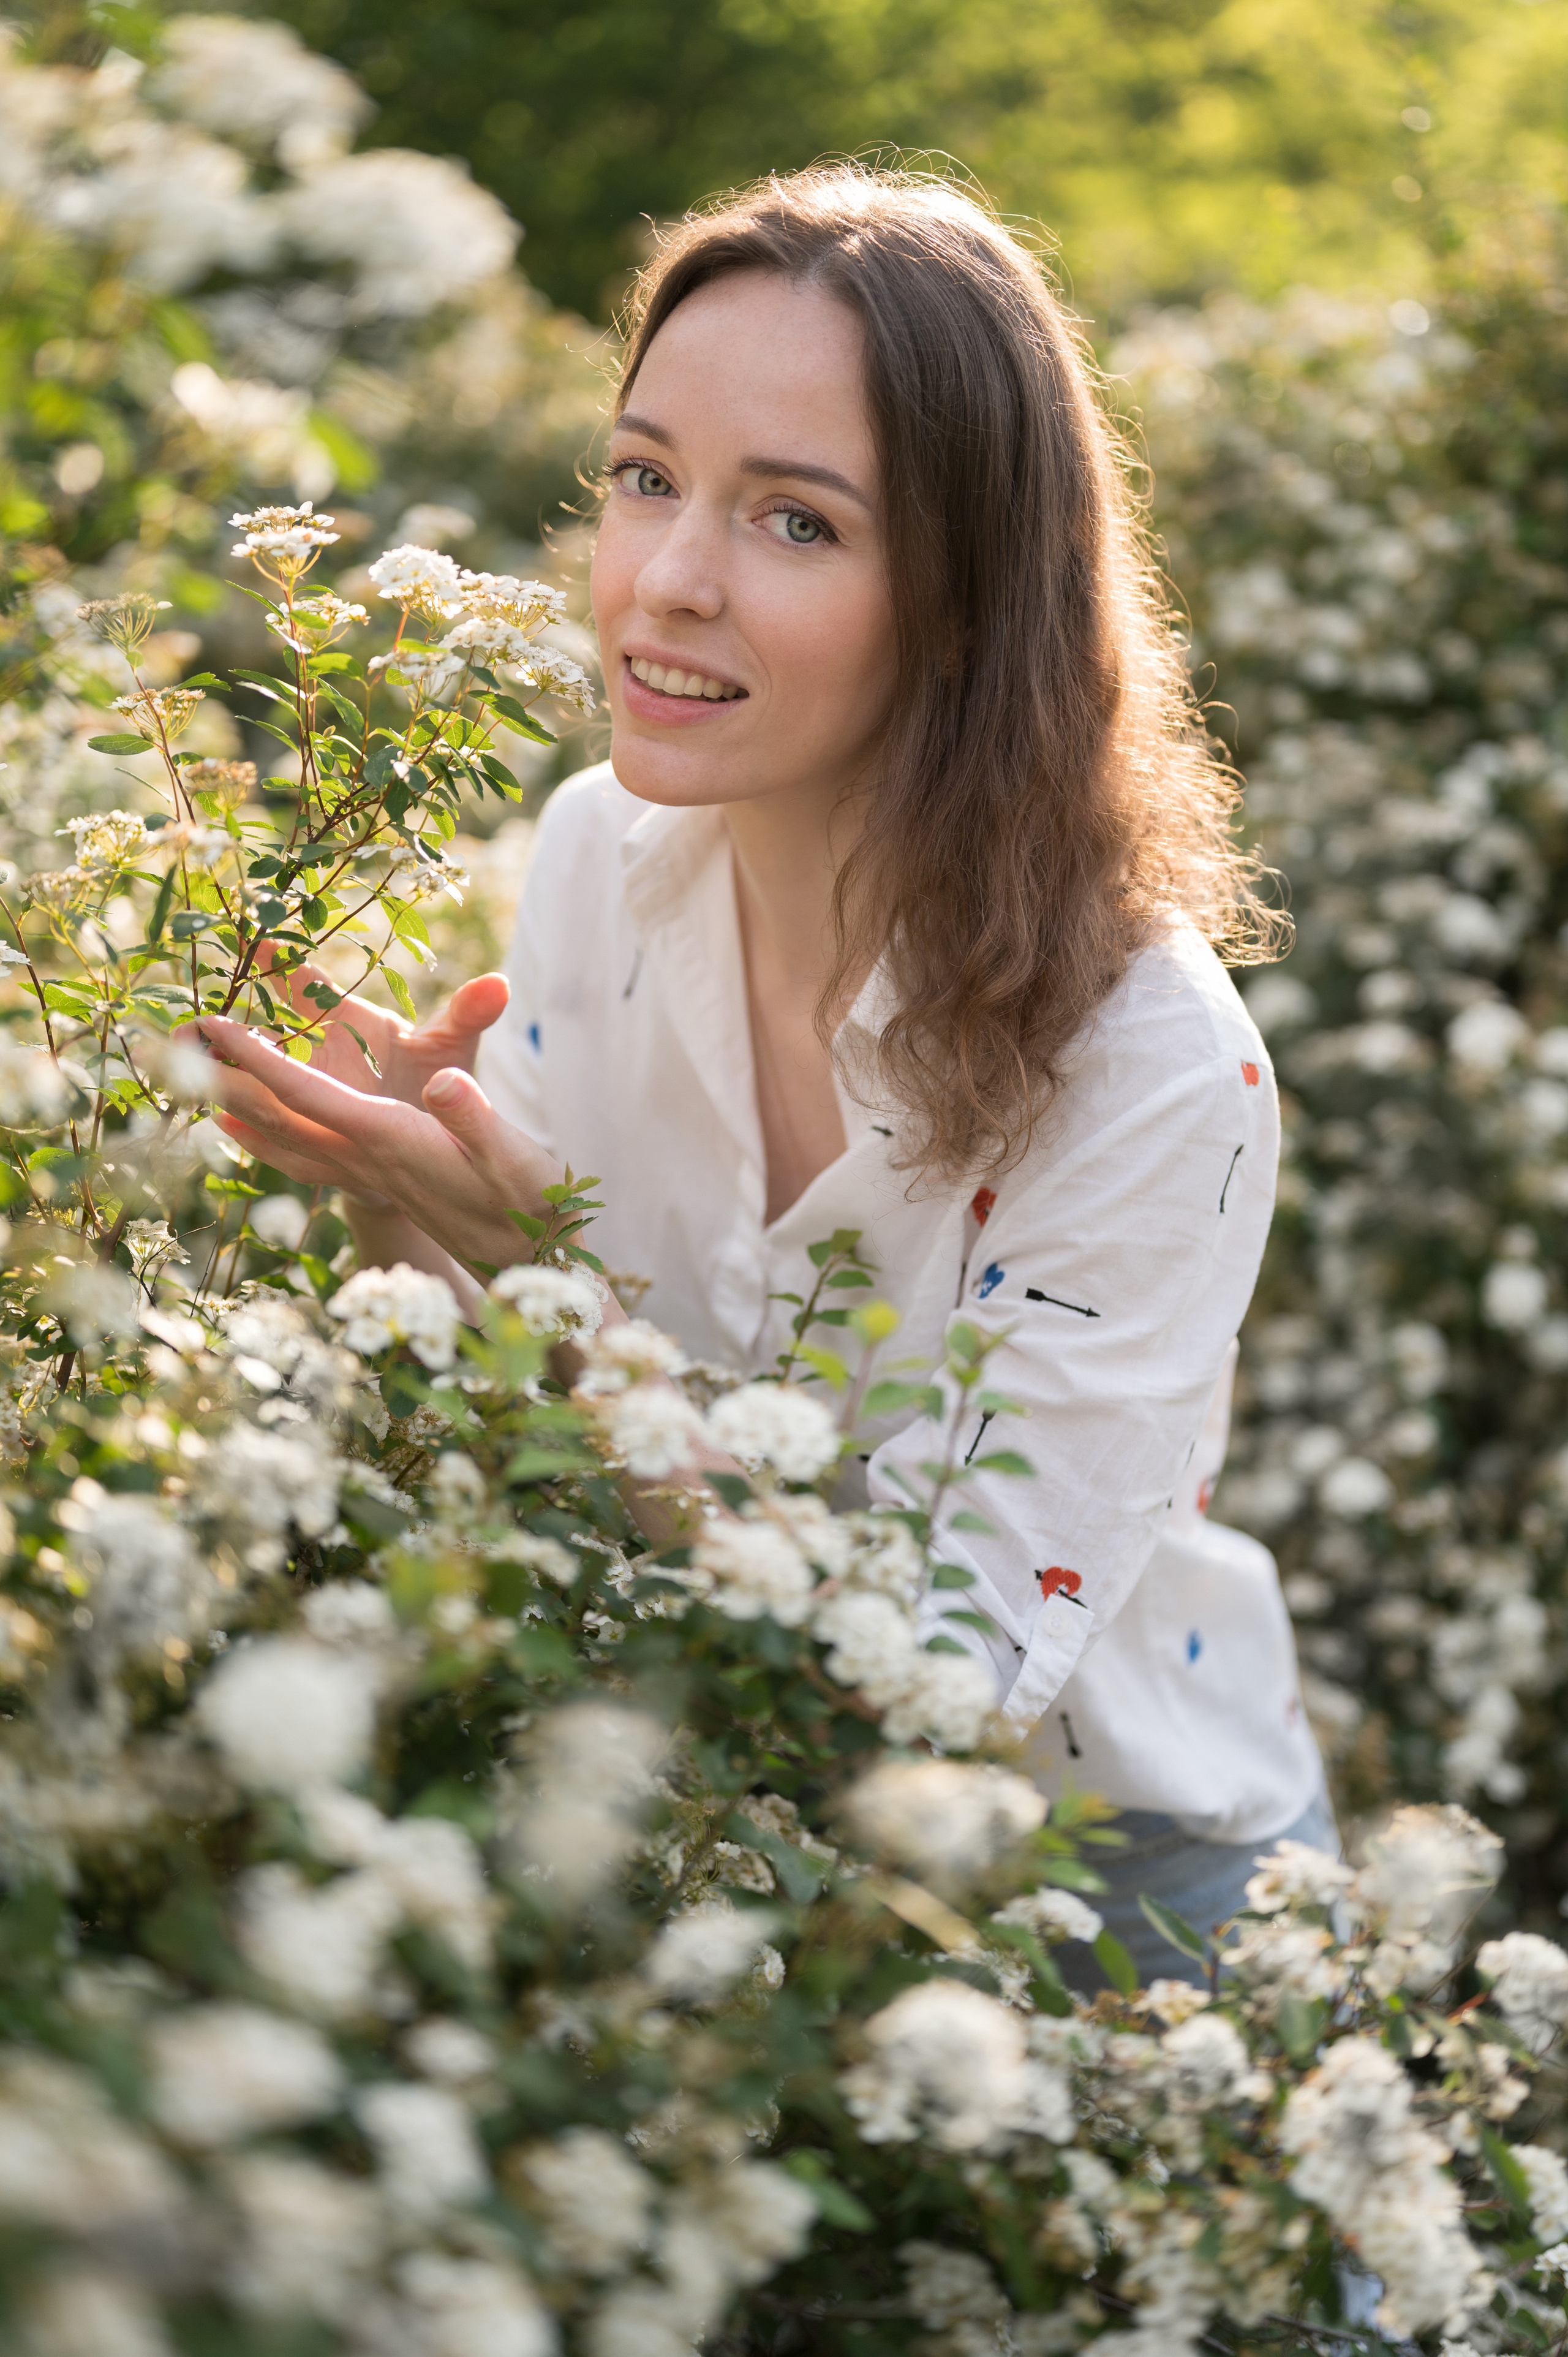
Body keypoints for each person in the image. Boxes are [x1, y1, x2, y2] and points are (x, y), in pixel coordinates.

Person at [192, 164, 1332, 1986]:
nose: (669, 582)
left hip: (1118, 1897)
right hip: (704, 1828)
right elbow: (548, 1470)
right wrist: (412, 1219)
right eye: (645, 479)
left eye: (796, 523)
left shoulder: (1155, 1068)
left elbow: (929, 1694)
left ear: (964, 604)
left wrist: (552, 1299)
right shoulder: (596, 860)